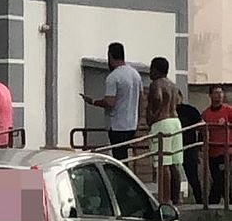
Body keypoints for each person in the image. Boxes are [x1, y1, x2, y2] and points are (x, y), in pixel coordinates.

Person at [81, 42, 142, 164]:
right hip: (131, 125)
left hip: (117, 125)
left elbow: (110, 102)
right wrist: (138, 120)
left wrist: (93, 101)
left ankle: (121, 182)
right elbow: (141, 99)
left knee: (118, 159)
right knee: (124, 156)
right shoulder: (135, 74)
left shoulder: (113, 77)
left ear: (110, 56)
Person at [146, 57, 182, 205]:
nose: (149, 72)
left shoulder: (156, 84)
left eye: (151, 69)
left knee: (163, 163)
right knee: (174, 162)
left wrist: (152, 115)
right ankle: (177, 197)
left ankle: (164, 199)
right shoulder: (173, 85)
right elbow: (180, 100)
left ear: (155, 69)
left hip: (162, 122)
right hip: (176, 122)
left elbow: (158, 98)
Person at [201, 85, 232, 205]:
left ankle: (214, 202)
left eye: (221, 93)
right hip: (212, 152)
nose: (219, 95)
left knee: (222, 178)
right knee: (217, 178)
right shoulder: (206, 114)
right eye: (216, 93)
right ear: (210, 95)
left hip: (226, 152)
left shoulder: (228, 111)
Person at [176, 90, 203, 204]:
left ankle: (200, 201)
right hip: (174, 147)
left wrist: (200, 144)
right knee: (174, 174)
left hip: (189, 147)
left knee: (193, 176)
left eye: (177, 96)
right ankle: (175, 199)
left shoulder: (190, 110)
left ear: (181, 97)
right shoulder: (168, 112)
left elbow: (201, 126)